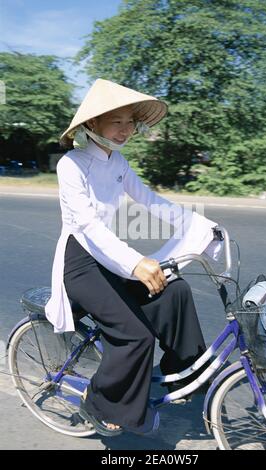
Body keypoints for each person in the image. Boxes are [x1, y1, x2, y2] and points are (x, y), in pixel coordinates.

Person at [45, 79, 222, 436]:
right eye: (117, 122)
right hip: (81, 262)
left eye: (131, 122)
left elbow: (151, 201)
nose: (126, 130)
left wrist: (203, 224)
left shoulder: (119, 162)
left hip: (110, 256)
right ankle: (99, 403)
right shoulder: (72, 165)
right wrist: (135, 263)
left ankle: (182, 373)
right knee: (135, 334)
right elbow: (88, 226)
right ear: (92, 124)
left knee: (175, 292)